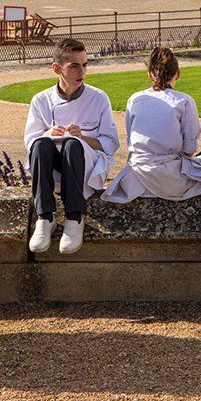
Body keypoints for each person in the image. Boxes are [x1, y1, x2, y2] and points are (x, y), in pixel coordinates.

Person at [24, 36, 119, 255]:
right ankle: (45, 217)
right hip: (53, 170)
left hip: (85, 166)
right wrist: (47, 134)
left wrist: (82, 138)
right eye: (74, 66)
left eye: (85, 65)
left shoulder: (99, 98)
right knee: (40, 144)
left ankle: (75, 217)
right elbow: (30, 143)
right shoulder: (41, 100)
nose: (82, 72)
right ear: (57, 68)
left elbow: (111, 144)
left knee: (71, 144)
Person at [102, 47, 201, 203]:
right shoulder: (183, 101)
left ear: (150, 75)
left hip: (137, 175)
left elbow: (131, 140)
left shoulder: (134, 99)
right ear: (177, 74)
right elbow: (189, 149)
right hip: (169, 178)